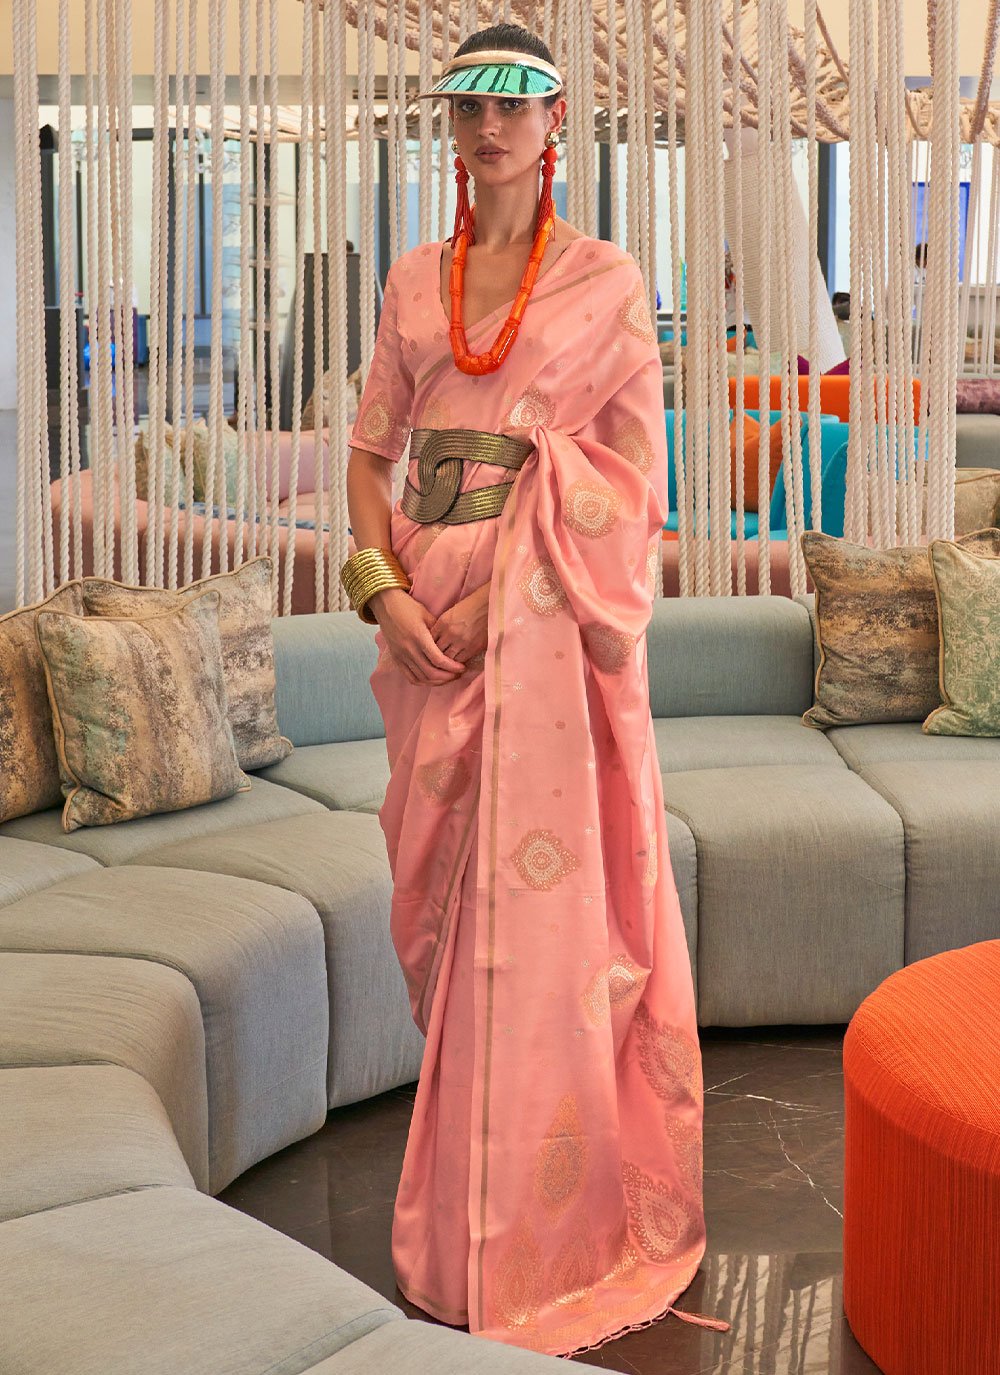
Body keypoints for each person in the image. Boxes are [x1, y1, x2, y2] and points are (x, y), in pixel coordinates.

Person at [340, 22, 726, 1359]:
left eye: (514, 105)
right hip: (422, 617)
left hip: (542, 629)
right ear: (450, 125)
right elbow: (370, 459)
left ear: (556, 121)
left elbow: (631, 483)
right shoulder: (411, 282)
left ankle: (546, 1237)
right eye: (469, 106)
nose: (490, 127)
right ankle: (458, 1231)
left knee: (536, 935)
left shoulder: (605, 282)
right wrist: (381, 591)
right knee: (441, 918)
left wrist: (514, 585)